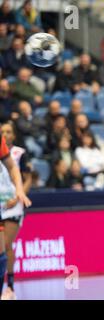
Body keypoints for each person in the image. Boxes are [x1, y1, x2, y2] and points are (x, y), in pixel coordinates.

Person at [0, 122, 31, 300]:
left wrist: (19, 194)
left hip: (14, 205)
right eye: (2, 131)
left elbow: (27, 178)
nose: (5, 134)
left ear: (14, 134)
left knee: (6, 246)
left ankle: (9, 286)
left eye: (9, 131)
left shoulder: (19, 153)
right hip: (1, 204)